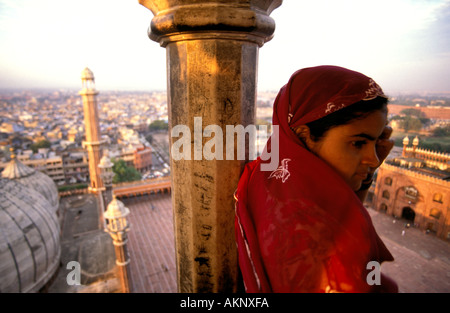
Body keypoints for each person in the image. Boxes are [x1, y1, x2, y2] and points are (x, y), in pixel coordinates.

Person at [234, 65, 398, 293]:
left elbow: (340, 208)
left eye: (377, 140)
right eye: (358, 143)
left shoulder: (270, 177)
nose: (373, 159)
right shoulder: (312, 239)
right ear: (305, 136)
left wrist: (366, 176)